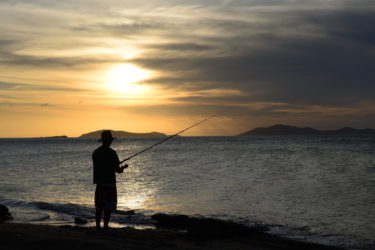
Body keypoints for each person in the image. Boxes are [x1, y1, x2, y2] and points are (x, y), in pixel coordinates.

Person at [92, 130, 128, 230]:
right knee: (108, 208)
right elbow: (117, 170)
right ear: (109, 140)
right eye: (110, 140)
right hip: (109, 184)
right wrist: (123, 167)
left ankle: (98, 227)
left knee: (99, 207)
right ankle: (106, 226)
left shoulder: (96, 152)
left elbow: (100, 166)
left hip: (99, 183)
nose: (111, 142)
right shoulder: (112, 153)